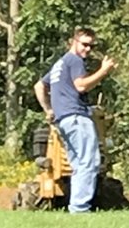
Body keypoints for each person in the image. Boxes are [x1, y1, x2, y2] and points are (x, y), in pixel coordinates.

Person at [33, 26, 116, 213]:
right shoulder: (75, 61)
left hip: (63, 121)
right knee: (89, 162)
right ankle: (80, 209)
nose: (88, 49)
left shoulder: (59, 64)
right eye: (85, 44)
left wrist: (49, 110)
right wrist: (103, 71)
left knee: (78, 165)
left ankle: (76, 208)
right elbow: (80, 86)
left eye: (91, 46)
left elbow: (39, 86)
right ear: (73, 42)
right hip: (77, 117)